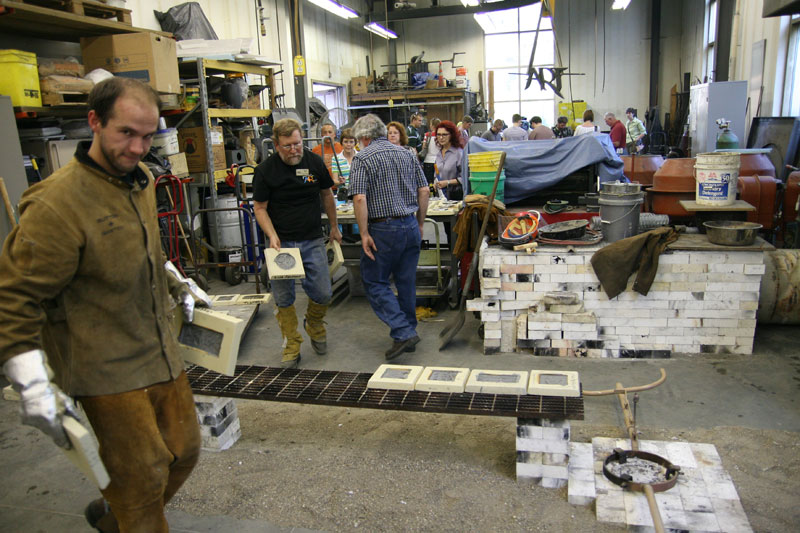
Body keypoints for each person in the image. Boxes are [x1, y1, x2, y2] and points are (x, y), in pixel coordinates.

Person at [0, 77, 206, 533]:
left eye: (148, 135)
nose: (137, 147)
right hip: (104, 368)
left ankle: (115, 520)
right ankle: (133, 517)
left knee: (185, 450)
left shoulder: (143, 181)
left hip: (157, 349)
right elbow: (13, 298)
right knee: (141, 479)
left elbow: (139, 246)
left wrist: (172, 277)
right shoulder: (57, 204)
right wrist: (32, 384)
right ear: (94, 121)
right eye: (125, 133)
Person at [253, 118, 343, 368]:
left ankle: (313, 323)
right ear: (276, 144)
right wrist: (271, 235)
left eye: (298, 144)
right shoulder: (265, 171)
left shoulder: (313, 162)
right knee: (283, 297)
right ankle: (292, 342)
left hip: (312, 237)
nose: (294, 150)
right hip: (281, 244)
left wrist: (334, 226)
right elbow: (259, 208)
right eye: (288, 146)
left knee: (323, 292)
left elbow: (327, 194)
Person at [349, 114, 429, 359]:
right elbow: (424, 190)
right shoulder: (407, 153)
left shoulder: (363, 158)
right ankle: (406, 333)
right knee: (406, 281)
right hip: (409, 226)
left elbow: (359, 198)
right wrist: (420, 222)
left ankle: (403, 332)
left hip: (383, 229)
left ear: (363, 138)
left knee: (375, 282)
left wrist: (363, 233)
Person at [434, 120, 464, 201]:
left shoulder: (459, 153)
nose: (441, 137)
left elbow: (464, 178)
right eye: (438, 135)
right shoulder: (438, 154)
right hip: (441, 196)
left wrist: (447, 182)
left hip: (456, 196)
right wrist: (435, 183)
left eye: (444, 134)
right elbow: (436, 174)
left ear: (452, 135)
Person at [419, 117, 441, 184]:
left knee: (429, 182)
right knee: (438, 180)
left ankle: (431, 194)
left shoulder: (427, 135)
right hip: (439, 162)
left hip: (428, 161)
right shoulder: (441, 135)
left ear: (433, 125)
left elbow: (424, 147)